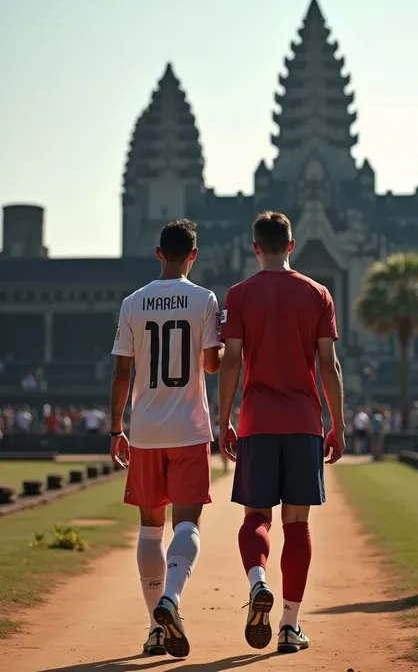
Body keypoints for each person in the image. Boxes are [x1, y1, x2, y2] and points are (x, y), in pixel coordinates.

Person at [218, 211, 345, 655]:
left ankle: (257, 584)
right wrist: (338, 424)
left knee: (256, 519)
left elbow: (230, 359)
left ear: (256, 247)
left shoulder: (239, 294)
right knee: (297, 526)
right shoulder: (318, 294)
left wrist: (223, 420)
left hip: (257, 419)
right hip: (304, 422)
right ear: (292, 245)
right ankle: (290, 625)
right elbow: (328, 365)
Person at [109, 219, 222, 658]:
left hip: (146, 430)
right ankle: (171, 599)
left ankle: (154, 628)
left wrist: (117, 428)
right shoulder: (204, 300)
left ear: (159, 253)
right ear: (193, 255)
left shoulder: (133, 302)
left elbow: (122, 372)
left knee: (149, 531)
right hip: (190, 428)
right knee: (188, 524)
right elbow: (212, 365)